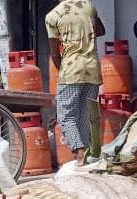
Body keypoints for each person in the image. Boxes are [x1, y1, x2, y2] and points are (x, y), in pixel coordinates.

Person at [46, 0, 106, 164]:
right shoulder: (89, 6)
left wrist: (63, 72)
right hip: (92, 69)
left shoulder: (52, 16)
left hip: (71, 70)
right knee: (86, 116)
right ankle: (87, 156)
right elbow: (101, 31)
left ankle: (79, 154)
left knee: (66, 116)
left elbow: (54, 54)